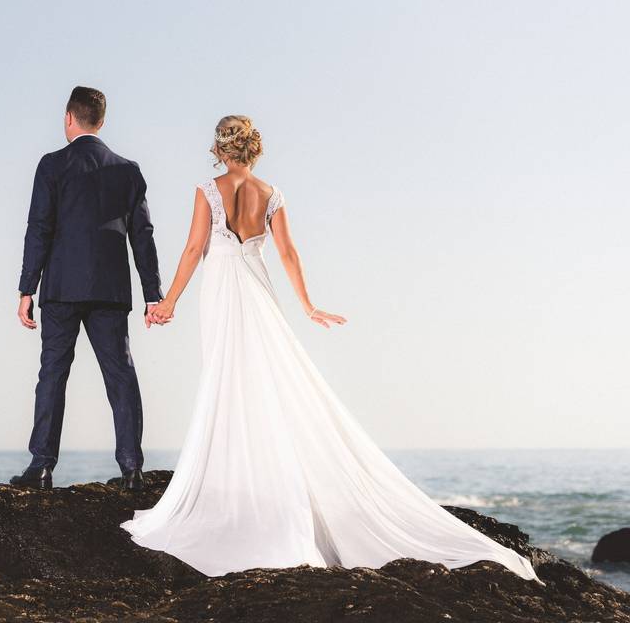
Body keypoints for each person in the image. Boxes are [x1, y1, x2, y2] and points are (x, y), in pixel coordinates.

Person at [119, 115, 543, 584]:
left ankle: (241, 483)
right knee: (268, 377)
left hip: (222, 287)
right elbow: (288, 254)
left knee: (227, 377)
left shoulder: (207, 189)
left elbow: (195, 247)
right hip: (257, 289)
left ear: (219, 148)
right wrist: (307, 306)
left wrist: (169, 302)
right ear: (253, 149)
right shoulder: (270, 193)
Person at [11, 86, 164, 491]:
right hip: (111, 289)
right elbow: (142, 235)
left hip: (61, 287)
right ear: (101, 120)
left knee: (52, 375)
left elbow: (38, 229)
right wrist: (153, 294)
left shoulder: (51, 165)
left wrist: (27, 288)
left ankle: (42, 466)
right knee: (120, 375)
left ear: (68, 118)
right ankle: (132, 468)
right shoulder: (128, 170)